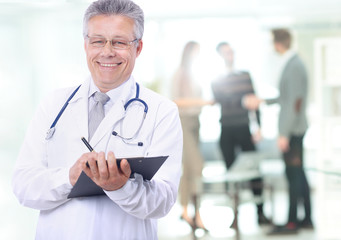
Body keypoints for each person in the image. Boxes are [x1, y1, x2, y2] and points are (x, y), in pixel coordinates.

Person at [11, 0, 183, 239]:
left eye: (119, 42)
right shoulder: (53, 105)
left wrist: (121, 187)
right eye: (98, 41)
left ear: (138, 47)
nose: (107, 51)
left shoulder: (162, 111)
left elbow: (163, 201)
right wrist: (69, 177)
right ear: (86, 45)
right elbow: (24, 186)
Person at [244, 29, 313, 234]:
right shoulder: (294, 64)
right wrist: (263, 101)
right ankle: (306, 219)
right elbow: (287, 97)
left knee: (293, 174)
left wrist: (284, 133)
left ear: (278, 44)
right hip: (295, 128)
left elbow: (294, 103)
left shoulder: (293, 66)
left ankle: (292, 222)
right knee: (298, 173)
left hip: (292, 130)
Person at [211, 42, 270, 225]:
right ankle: (234, 216)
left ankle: (260, 213)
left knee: (254, 170)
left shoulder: (245, 76)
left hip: (245, 128)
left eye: (231, 52)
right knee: (230, 174)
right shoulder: (216, 80)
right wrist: (242, 100)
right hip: (227, 130)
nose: (229, 55)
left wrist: (258, 126)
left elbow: (253, 101)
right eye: (225, 53)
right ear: (220, 56)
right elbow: (223, 101)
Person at [172, 41, 212, 232]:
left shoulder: (194, 75)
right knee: (197, 166)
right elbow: (175, 101)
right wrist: (202, 101)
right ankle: (195, 213)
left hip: (196, 123)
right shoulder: (180, 74)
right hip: (184, 123)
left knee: (189, 169)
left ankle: (187, 211)